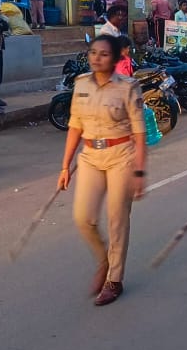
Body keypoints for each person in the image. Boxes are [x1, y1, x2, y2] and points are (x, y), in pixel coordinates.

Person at [58, 34, 148, 306]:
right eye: (93, 52)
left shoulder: (128, 87)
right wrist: (65, 166)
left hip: (121, 155)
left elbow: (140, 133)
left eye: (104, 54)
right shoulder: (81, 84)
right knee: (82, 217)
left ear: (116, 58)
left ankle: (114, 279)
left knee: (117, 218)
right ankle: (103, 258)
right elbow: (75, 125)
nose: (96, 58)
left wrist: (140, 172)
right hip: (90, 157)